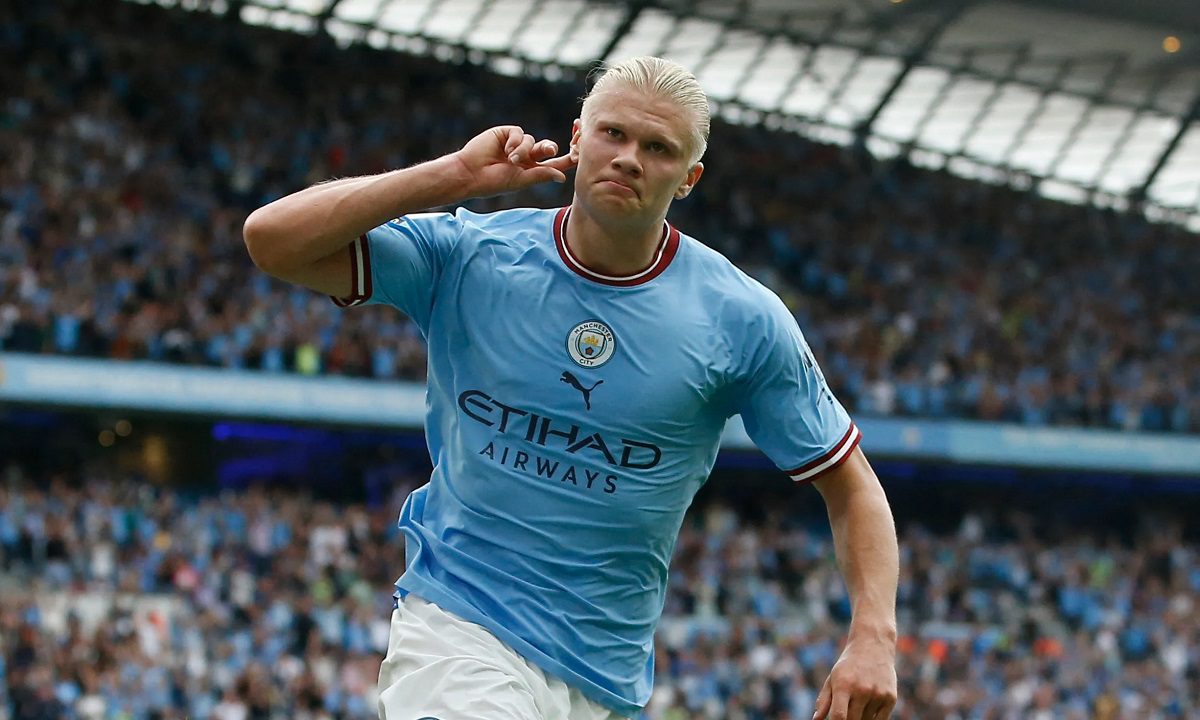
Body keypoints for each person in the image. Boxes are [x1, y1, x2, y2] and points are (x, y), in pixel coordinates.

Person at [244, 56, 899, 720]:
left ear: (689, 178)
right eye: (613, 134)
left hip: (605, 680)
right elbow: (272, 240)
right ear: (579, 137)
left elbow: (851, 486)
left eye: (658, 148)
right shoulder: (471, 254)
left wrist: (874, 637)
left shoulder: (741, 319)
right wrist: (454, 177)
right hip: (458, 629)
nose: (629, 158)